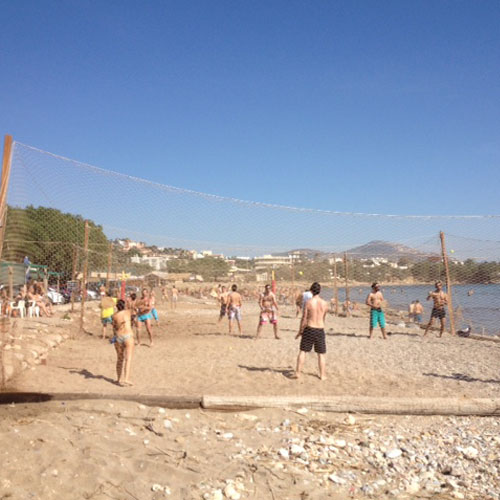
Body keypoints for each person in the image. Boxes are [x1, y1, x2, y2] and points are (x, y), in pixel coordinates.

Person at [293, 282, 328, 380]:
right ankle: (322, 375)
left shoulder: (308, 302)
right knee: (321, 354)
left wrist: (300, 331)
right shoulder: (325, 303)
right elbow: (323, 318)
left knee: (303, 351)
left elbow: (304, 318)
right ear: (320, 291)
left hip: (309, 328)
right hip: (320, 329)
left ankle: (298, 373)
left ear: (311, 291)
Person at [111, 299, 134, 386]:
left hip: (118, 336)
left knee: (120, 359)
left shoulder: (114, 316)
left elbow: (114, 327)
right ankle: (126, 379)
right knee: (128, 358)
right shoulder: (128, 312)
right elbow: (133, 307)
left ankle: (118, 378)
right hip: (128, 335)